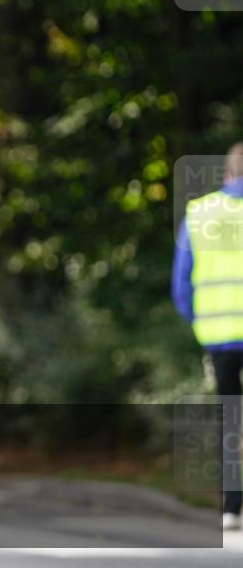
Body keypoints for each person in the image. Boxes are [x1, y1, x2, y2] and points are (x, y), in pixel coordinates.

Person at [172, 142, 243, 531]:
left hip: (219, 336)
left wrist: (198, 320)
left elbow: (181, 284)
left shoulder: (200, 213)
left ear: (227, 173)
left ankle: (232, 506)